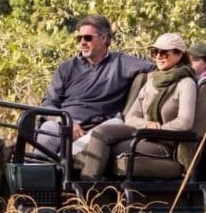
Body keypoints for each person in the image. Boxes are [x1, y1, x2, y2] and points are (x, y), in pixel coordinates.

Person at [76, 33, 197, 181]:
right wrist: (146, 125)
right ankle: (80, 183)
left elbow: (185, 122)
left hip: (163, 141)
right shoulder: (152, 80)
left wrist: (158, 129)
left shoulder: (186, 83)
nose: (159, 56)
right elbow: (131, 117)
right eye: (155, 52)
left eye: (164, 53)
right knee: (100, 134)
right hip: (144, 133)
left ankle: (88, 192)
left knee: (105, 149)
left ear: (179, 55)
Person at [35, 14, 153, 156]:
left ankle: (60, 165)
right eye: (79, 38)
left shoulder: (121, 62)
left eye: (88, 38)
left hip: (99, 127)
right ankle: (35, 173)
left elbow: (157, 67)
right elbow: (49, 104)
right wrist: (66, 122)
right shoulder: (66, 68)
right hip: (64, 123)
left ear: (103, 38)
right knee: (48, 129)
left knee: (112, 126)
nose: (82, 42)